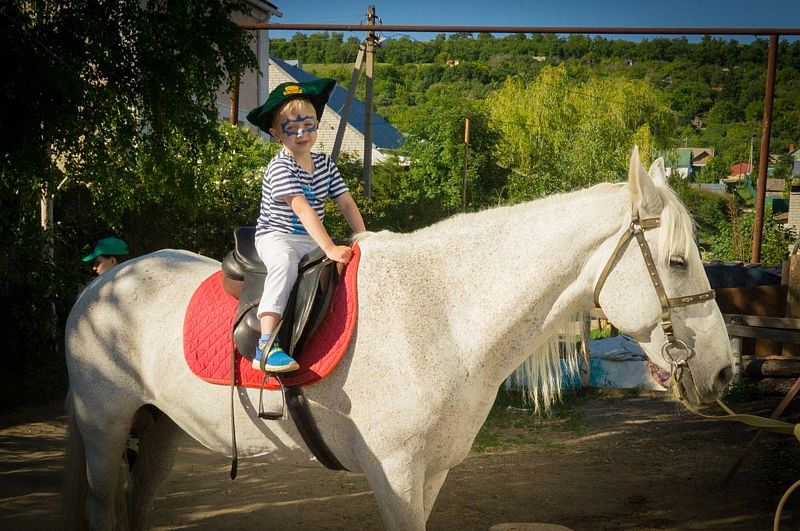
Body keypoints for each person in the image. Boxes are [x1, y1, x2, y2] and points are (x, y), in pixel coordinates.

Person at [245, 78, 366, 373]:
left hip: (311, 239)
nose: (302, 133)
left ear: (317, 125)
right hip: (278, 236)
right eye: (291, 127)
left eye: (308, 125)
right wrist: (329, 247)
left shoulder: (326, 165)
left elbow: (346, 202)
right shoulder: (280, 167)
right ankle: (266, 344)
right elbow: (302, 208)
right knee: (284, 263)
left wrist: (364, 237)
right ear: (276, 133)